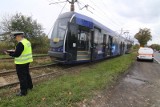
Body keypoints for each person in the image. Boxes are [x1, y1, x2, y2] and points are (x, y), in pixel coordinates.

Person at [5, 31, 33, 96]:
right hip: (27, 61)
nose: (15, 38)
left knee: (22, 77)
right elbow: (23, 51)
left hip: (21, 63)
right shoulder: (27, 42)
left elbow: (17, 54)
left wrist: (9, 53)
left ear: (19, 36)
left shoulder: (20, 43)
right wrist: (15, 51)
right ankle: (30, 86)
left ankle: (23, 92)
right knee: (27, 75)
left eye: (16, 37)